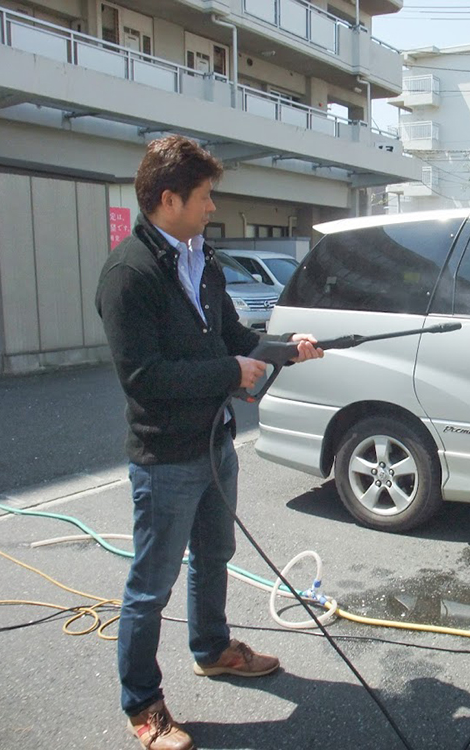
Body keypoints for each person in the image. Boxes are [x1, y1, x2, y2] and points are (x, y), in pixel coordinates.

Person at [96, 135, 322, 750]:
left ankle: (213, 648)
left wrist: (283, 349)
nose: (212, 206)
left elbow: (229, 333)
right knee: (151, 585)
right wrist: (230, 372)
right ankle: (143, 705)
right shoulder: (127, 275)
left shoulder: (204, 258)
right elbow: (145, 378)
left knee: (214, 556)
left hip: (215, 444)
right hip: (166, 457)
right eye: (204, 196)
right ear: (168, 199)